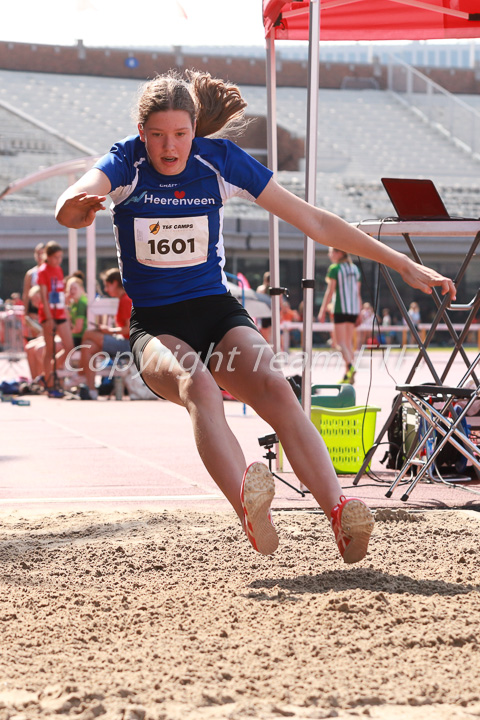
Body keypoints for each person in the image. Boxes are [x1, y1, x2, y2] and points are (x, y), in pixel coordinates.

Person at [55, 69, 455, 564]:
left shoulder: (218, 161)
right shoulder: (126, 164)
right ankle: (248, 504)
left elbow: (315, 221)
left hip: (216, 310)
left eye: (180, 134)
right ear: (142, 133)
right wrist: (78, 206)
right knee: (197, 385)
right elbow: (72, 201)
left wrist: (402, 262)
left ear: (195, 128)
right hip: (157, 325)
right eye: (157, 135)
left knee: (275, 389)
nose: (169, 147)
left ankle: (339, 510)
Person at [77, 268, 132, 400]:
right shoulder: (123, 299)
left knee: (89, 333)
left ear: (114, 283)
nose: (106, 290)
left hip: (128, 345)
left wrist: (109, 330)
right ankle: (91, 390)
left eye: (107, 285)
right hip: (122, 341)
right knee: (88, 346)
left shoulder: (125, 299)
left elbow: (129, 329)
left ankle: (79, 374)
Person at [317, 247, 362, 384]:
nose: (329, 254)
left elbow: (330, 291)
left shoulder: (335, 269)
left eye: (331, 251)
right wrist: (359, 311)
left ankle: (350, 366)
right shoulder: (355, 269)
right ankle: (347, 375)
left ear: (339, 253)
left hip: (340, 308)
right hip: (353, 310)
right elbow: (357, 293)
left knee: (339, 343)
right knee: (348, 343)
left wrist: (323, 309)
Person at [37, 241, 74, 397]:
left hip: (60, 312)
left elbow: (59, 292)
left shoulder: (58, 270)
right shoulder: (43, 271)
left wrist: (65, 310)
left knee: (69, 345)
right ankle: (48, 379)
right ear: (49, 257)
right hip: (48, 314)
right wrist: (49, 316)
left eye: (60, 257)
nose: (59, 260)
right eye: (56, 257)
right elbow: (44, 297)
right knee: (49, 348)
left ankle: (52, 371)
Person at [65, 275, 88, 347]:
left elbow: (78, 329)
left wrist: (63, 334)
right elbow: (69, 323)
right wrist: (66, 303)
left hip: (80, 338)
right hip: (75, 336)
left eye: (75, 288)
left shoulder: (81, 303)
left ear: (81, 289)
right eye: (70, 289)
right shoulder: (74, 303)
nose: (72, 291)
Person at [256, 270, 272, 343]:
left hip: (264, 314)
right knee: (274, 336)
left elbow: (257, 302)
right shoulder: (275, 289)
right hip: (272, 313)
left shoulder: (260, 289)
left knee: (266, 338)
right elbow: (280, 303)